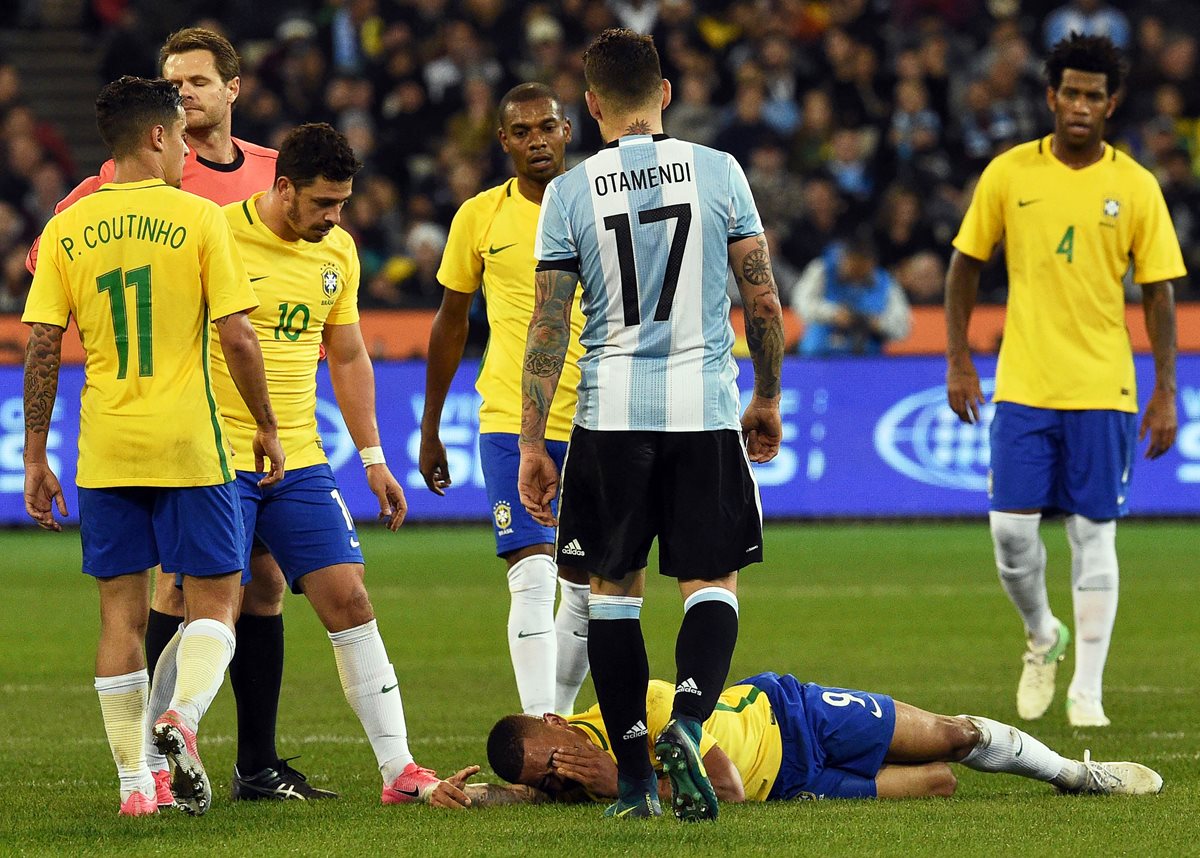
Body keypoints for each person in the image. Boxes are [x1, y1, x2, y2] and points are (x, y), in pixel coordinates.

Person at [144, 122, 478, 809]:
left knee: (349, 597)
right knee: (202, 602)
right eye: (324, 203)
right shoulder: (215, 236)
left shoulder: (340, 254)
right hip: (216, 456)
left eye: (343, 204)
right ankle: (164, 756)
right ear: (285, 187)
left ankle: (400, 772)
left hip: (299, 459)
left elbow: (349, 355)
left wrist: (375, 459)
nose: (335, 218)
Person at [26, 27, 319, 803]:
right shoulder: (199, 221)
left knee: (120, 617)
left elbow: (43, 347)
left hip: (106, 445)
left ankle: (134, 785)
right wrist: (263, 421)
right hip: (191, 439)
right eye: (180, 138)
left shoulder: (65, 226)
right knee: (218, 600)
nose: (190, 150)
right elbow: (239, 335)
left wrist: (33, 457)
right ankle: (183, 718)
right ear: (157, 137)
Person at [518, 29, 785, 821]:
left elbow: (547, 326)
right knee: (711, 583)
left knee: (611, 597)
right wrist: (765, 397)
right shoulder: (720, 172)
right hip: (702, 413)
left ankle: (636, 782)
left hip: (610, 418)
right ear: (664, 94)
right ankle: (693, 724)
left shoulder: (569, 192)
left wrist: (534, 442)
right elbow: (763, 300)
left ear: (591, 105)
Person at [945, 34, 1183, 728]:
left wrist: (1165, 388)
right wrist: (959, 358)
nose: (1081, 105)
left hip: (1105, 388)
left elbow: (1160, 293)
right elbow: (965, 266)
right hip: (1023, 383)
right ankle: (1044, 635)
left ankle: (1088, 691)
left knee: (1094, 536)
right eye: (1070, 92)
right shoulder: (1009, 174)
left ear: (1112, 103)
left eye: (1094, 95)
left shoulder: (1136, 185)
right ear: (1051, 97)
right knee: (1010, 536)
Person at [420, 82, 592, 720]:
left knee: (584, 587)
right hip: (507, 418)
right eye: (521, 132)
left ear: (566, 129)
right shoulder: (479, 216)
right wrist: (431, 427)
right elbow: (450, 322)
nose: (536, 141)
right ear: (503, 141)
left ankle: (562, 721)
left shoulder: (600, 206)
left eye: (546, 127)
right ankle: (543, 727)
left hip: (598, 418)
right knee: (530, 571)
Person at [476, 672, 1163, 806]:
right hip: (797, 785)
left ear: (558, 722)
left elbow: (725, 790)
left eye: (556, 757)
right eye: (548, 779)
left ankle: (1075, 775)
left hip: (792, 715)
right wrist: (478, 798)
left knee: (952, 739)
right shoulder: (561, 782)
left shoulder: (646, 705)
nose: (561, 774)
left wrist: (622, 783)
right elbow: (526, 793)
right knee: (939, 784)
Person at [793, 230, 912, 356]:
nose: (857, 274)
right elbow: (801, 304)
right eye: (853, 266)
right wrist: (833, 314)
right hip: (819, 355)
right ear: (843, 258)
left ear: (871, 263)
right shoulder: (821, 271)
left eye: (862, 268)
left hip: (867, 358)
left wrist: (878, 324)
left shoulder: (885, 283)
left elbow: (903, 327)